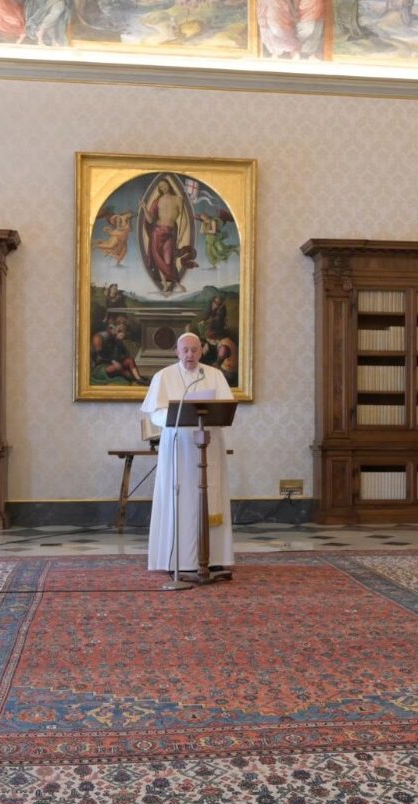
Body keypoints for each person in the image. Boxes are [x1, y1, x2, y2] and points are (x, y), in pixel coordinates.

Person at [141, 333, 234, 576]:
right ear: (177, 352)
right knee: (180, 498)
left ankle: (213, 558)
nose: (190, 354)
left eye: (194, 350)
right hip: (179, 448)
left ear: (201, 351)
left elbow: (225, 408)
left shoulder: (214, 375)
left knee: (210, 495)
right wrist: (176, 416)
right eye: (185, 350)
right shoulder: (164, 376)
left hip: (208, 446)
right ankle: (177, 559)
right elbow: (155, 413)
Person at [141, 179, 197, 294]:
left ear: (169, 185)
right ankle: (165, 286)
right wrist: (144, 208)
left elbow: (184, 220)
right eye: (161, 187)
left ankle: (177, 283)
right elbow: (150, 220)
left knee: (168, 260)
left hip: (169, 233)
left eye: (164, 185)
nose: (163, 188)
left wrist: (180, 236)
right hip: (156, 232)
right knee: (158, 260)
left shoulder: (178, 199)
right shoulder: (157, 201)